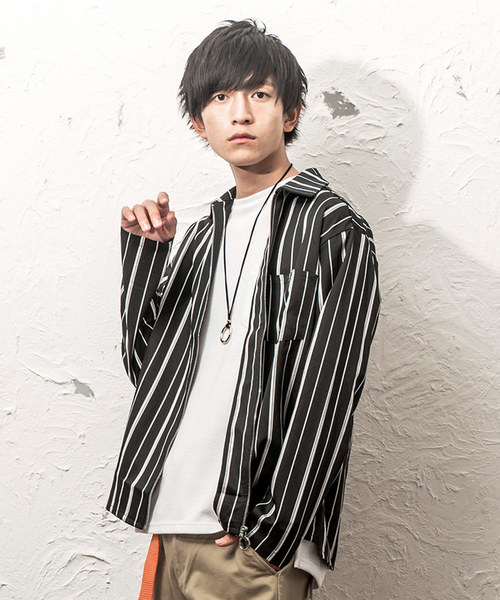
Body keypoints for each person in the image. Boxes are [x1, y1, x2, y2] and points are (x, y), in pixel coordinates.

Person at [106, 19, 381, 600]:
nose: (240, 113)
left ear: (291, 113)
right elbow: (148, 372)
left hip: (252, 540)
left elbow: (330, 388)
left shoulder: (332, 228)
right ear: (197, 121)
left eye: (259, 94)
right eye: (220, 97)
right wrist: (147, 258)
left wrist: (276, 526)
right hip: (172, 520)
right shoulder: (203, 234)